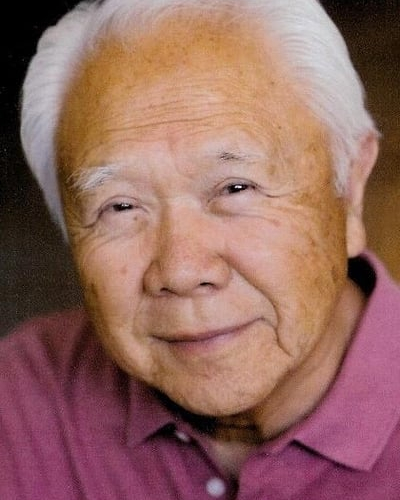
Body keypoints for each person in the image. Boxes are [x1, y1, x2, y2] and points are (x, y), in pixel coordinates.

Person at [1, 0, 399, 498]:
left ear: (351, 189)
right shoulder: (20, 404)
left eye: (235, 188)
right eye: (120, 206)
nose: (182, 270)